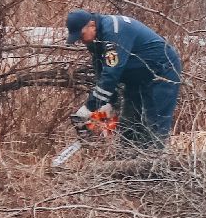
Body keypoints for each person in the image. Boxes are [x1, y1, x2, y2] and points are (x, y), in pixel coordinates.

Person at [65, 9, 183, 151]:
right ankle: (126, 165)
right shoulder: (96, 39)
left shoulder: (113, 33)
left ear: (91, 24)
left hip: (162, 72)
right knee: (129, 124)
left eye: (81, 35)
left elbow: (112, 73)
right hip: (136, 78)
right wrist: (108, 103)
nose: (81, 40)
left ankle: (154, 164)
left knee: (154, 124)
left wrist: (89, 107)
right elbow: (101, 71)